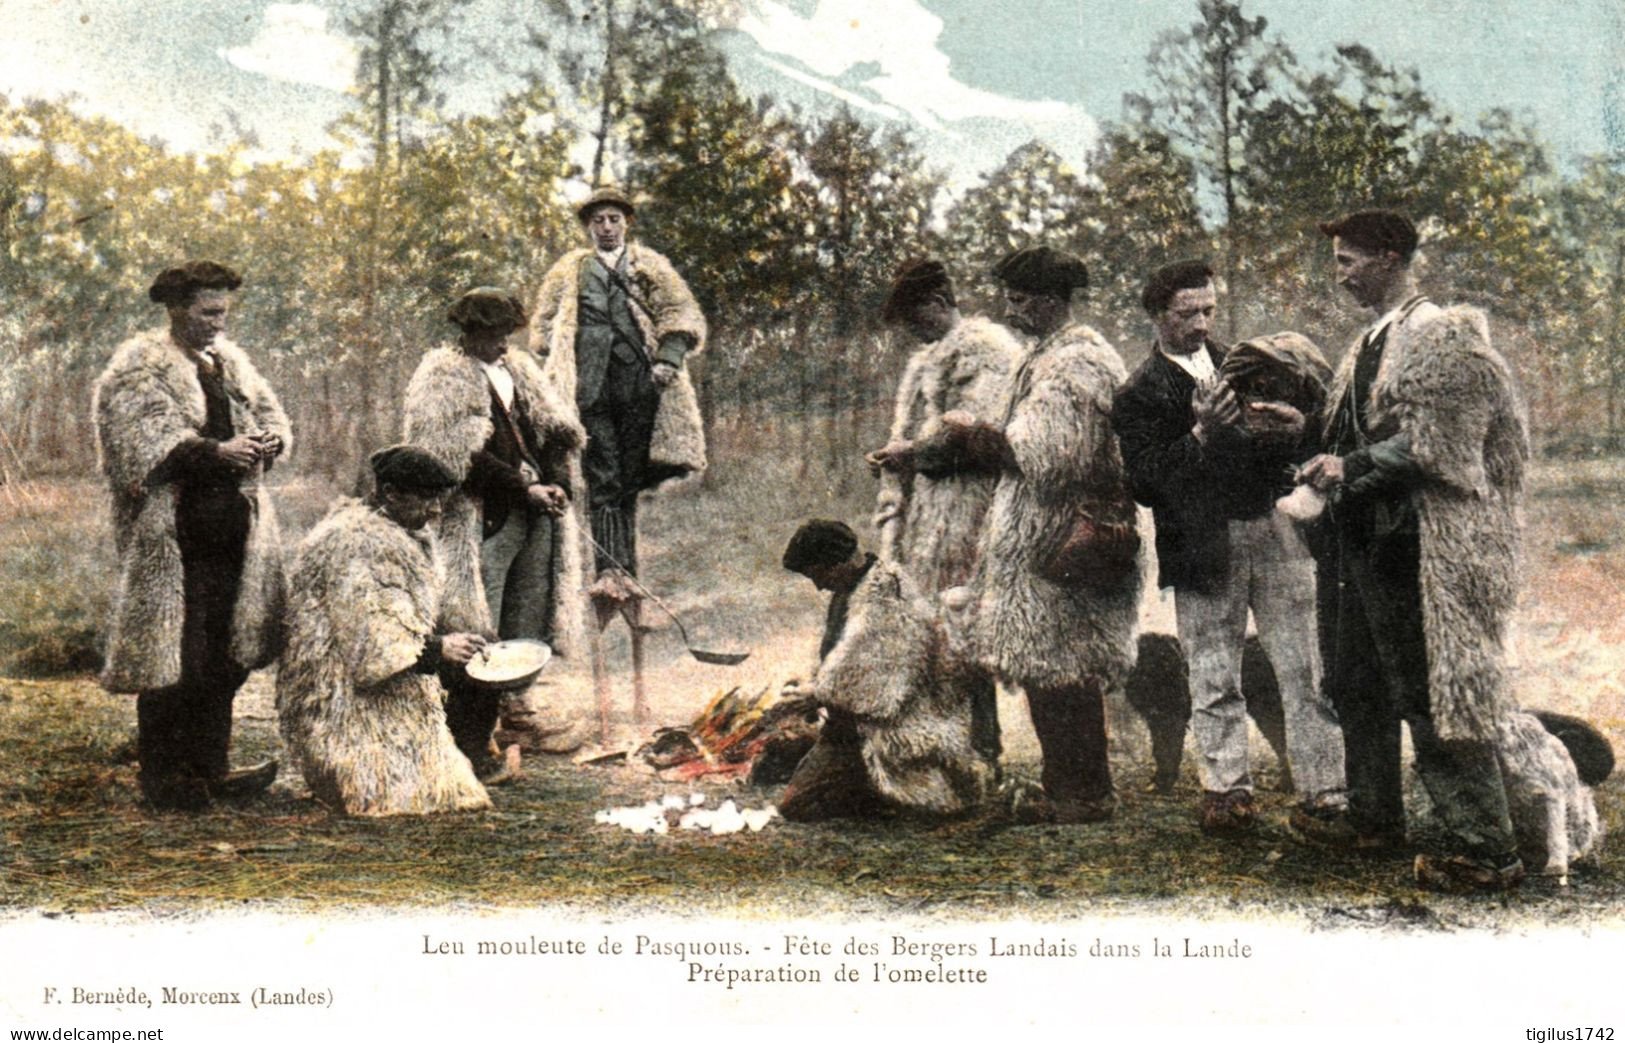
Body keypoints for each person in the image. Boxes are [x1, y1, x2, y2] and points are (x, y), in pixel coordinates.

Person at [1300, 209, 1529, 892]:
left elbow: (1445, 443)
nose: (1337, 275)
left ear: (1390, 257)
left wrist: (1350, 465)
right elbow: (1354, 432)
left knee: (1435, 691)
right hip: (1365, 541)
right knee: (1355, 680)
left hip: (1423, 546)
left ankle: (1484, 849)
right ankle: (1372, 816)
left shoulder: (1440, 336)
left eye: (1347, 261)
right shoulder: (1368, 340)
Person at [1112, 260, 1349, 837]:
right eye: (1186, 312)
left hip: (1275, 526)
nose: (1200, 324)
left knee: (1304, 668)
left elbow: (1315, 432)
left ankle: (1327, 792)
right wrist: (1198, 436)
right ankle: (1227, 792)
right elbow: (1143, 483)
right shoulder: (1139, 393)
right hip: (1201, 543)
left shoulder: (1248, 366)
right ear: (1156, 315)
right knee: (1214, 673)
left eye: (1208, 311)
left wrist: (1294, 428)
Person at [924, 246, 1141, 823]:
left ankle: (1082, 794)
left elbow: (1046, 454)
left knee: (1062, 665)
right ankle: (1071, 786)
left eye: (1019, 299)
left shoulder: (1077, 363)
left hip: (1064, 531)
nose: (1011, 309)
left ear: (1049, 300)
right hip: (1045, 531)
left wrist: (972, 431)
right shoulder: (1048, 354)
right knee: (1052, 663)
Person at [93, 261, 290, 811]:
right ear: (177, 310)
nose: (216, 322)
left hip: (237, 530)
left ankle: (210, 766)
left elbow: (270, 416)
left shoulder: (230, 363)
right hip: (177, 532)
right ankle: (165, 779)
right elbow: (136, 446)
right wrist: (214, 452)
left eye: (223, 311)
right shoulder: (142, 366)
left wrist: (267, 442)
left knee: (228, 650)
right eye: (207, 311)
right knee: (176, 652)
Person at [403, 288, 588, 776]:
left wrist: (557, 483)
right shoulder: (441, 376)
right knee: (476, 625)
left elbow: (552, 433)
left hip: (533, 513)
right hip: (481, 518)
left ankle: (514, 718)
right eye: (491, 336)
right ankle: (466, 742)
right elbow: (447, 456)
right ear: (468, 334)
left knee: (526, 616)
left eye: (507, 335)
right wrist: (518, 487)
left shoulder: (519, 371)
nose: (501, 345)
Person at [277, 446, 492, 816]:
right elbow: (369, 638)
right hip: (346, 699)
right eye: (426, 499)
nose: (436, 511)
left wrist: (448, 639)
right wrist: (438, 650)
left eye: (439, 499)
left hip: (390, 682)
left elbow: (401, 615)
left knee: (453, 794)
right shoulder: (357, 542)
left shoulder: (397, 531)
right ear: (391, 493)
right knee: (394, 796)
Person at [867, 257, 1020, 768]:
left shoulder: (987, 351)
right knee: (933, 630)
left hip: (972, 513)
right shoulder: (925, 360)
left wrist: (915, 455)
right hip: (929, 517)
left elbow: (982, 436)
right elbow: (918, 435)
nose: (913, 331)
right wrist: (896, 460)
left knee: (965, 628)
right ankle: (947, 745)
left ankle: (985, 747)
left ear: (938, 303)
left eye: (916, 318)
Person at [528, 185, 707, 586]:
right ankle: (609, 571)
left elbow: (681, 314)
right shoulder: (569, 270)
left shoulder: (649, 265)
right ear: (588, 227)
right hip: (588, 389)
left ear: (627, 223)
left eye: (614, 219)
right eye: (598, 221)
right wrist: (559, 354)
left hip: (638, 387)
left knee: (628, 477)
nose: (606, 228)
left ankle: (627, 570)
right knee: (602, 474)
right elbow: (541, 328)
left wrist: (667, 359)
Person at [776, 521, 991, 821]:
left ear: (840, 562)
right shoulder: (847, 591)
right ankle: (865, 788)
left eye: (819, 574)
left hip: (890, 728)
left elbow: (882, 685)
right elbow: (842, 662)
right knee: (793, 805)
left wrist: (818, 693)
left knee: (920, 803)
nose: (819, 585)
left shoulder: (888, 596)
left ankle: (877, 791)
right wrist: (815, 688)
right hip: (844, 729)